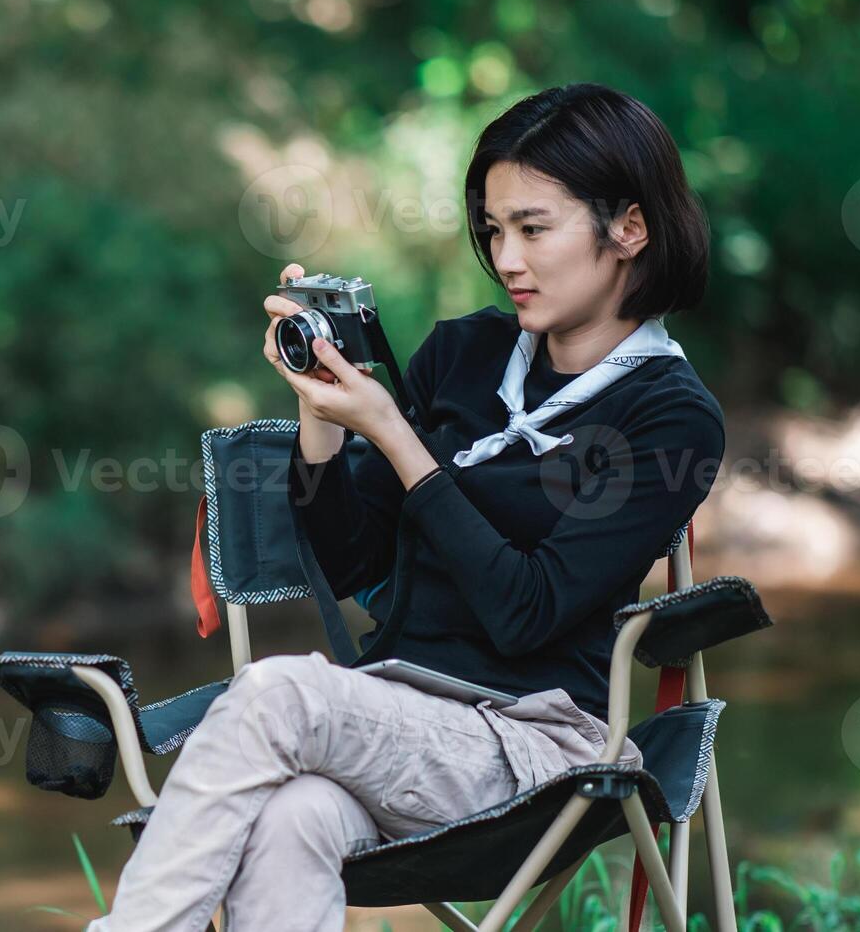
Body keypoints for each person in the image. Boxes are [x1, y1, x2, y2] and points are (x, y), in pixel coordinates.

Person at [90, 83, 727, 931]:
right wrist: (322, 420)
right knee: (292, 818)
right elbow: (353, 564)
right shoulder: (464, 353)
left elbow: (526, 612)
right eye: (494, 229)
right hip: (396, 717)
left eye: (534, 228)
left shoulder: (670, 415)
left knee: (279, 694)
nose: (506, 258)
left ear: (630, 229)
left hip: (538, 748)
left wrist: (395, 434)